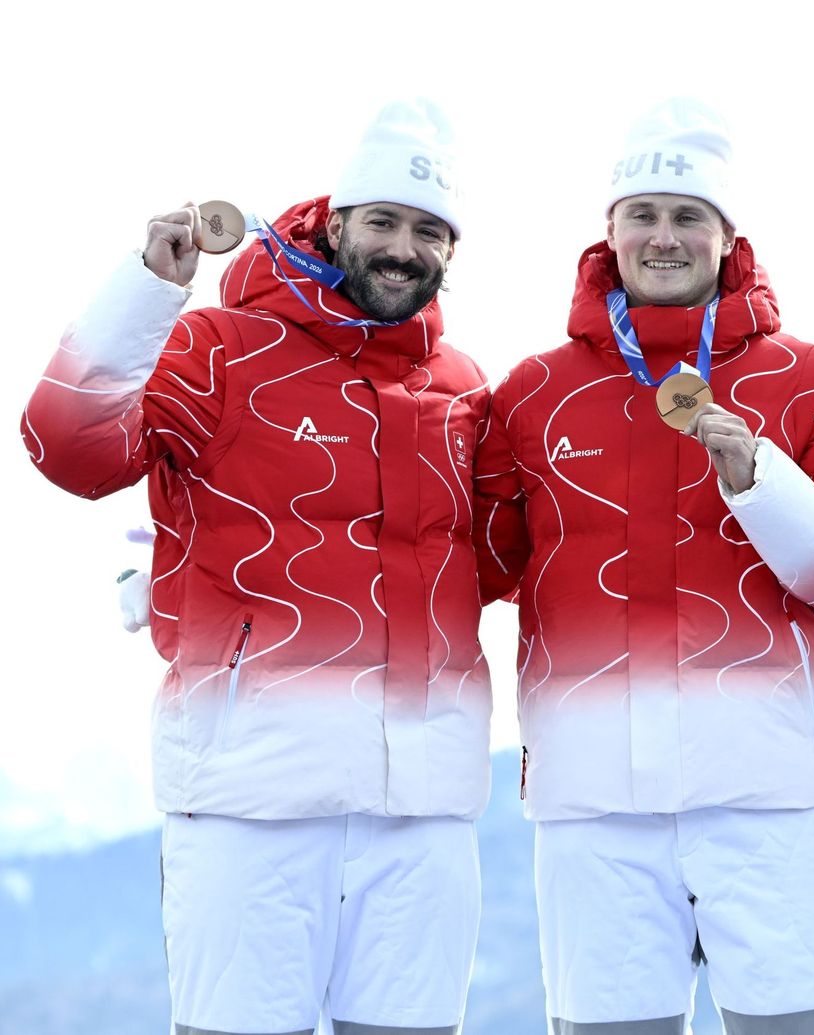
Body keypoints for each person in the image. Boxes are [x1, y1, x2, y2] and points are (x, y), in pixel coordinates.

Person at [21, 99, 491, 1035]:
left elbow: (510, 558)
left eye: (428, 231)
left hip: (426, 809)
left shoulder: (463, 389)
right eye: (384, 222)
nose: (403, 248)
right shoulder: (221, 350)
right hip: (250, 798)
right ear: (336, 221)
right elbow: (65, 445)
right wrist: (147, 290)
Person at [473, 98, 814, 1034]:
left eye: (688, 217)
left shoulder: (807, 377)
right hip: (592, 804)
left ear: (728, 237)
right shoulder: (532, 391)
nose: (664, 237)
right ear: (611, 232)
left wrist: (761, 481)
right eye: (644, 215)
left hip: (771, 792)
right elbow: (467, 563)